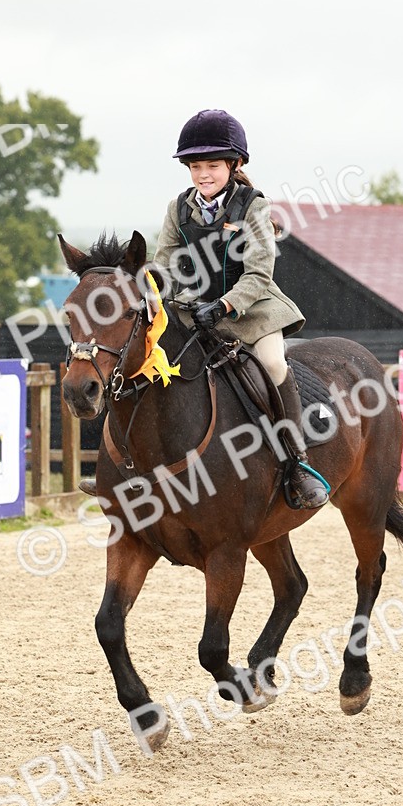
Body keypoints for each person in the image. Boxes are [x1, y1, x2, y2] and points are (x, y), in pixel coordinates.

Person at [150, 108, 328, 509]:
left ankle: (296, 459)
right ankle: (130, 465)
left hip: (251, 309)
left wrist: (224, 305)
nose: (203, 175)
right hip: (194, 311)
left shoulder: (253, 207)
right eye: (195, 167)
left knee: (273, 364)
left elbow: (259, 274)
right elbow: (165, 265)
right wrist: (174, 297)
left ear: (235, 164)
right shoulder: (178, 209)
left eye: (212, 165)